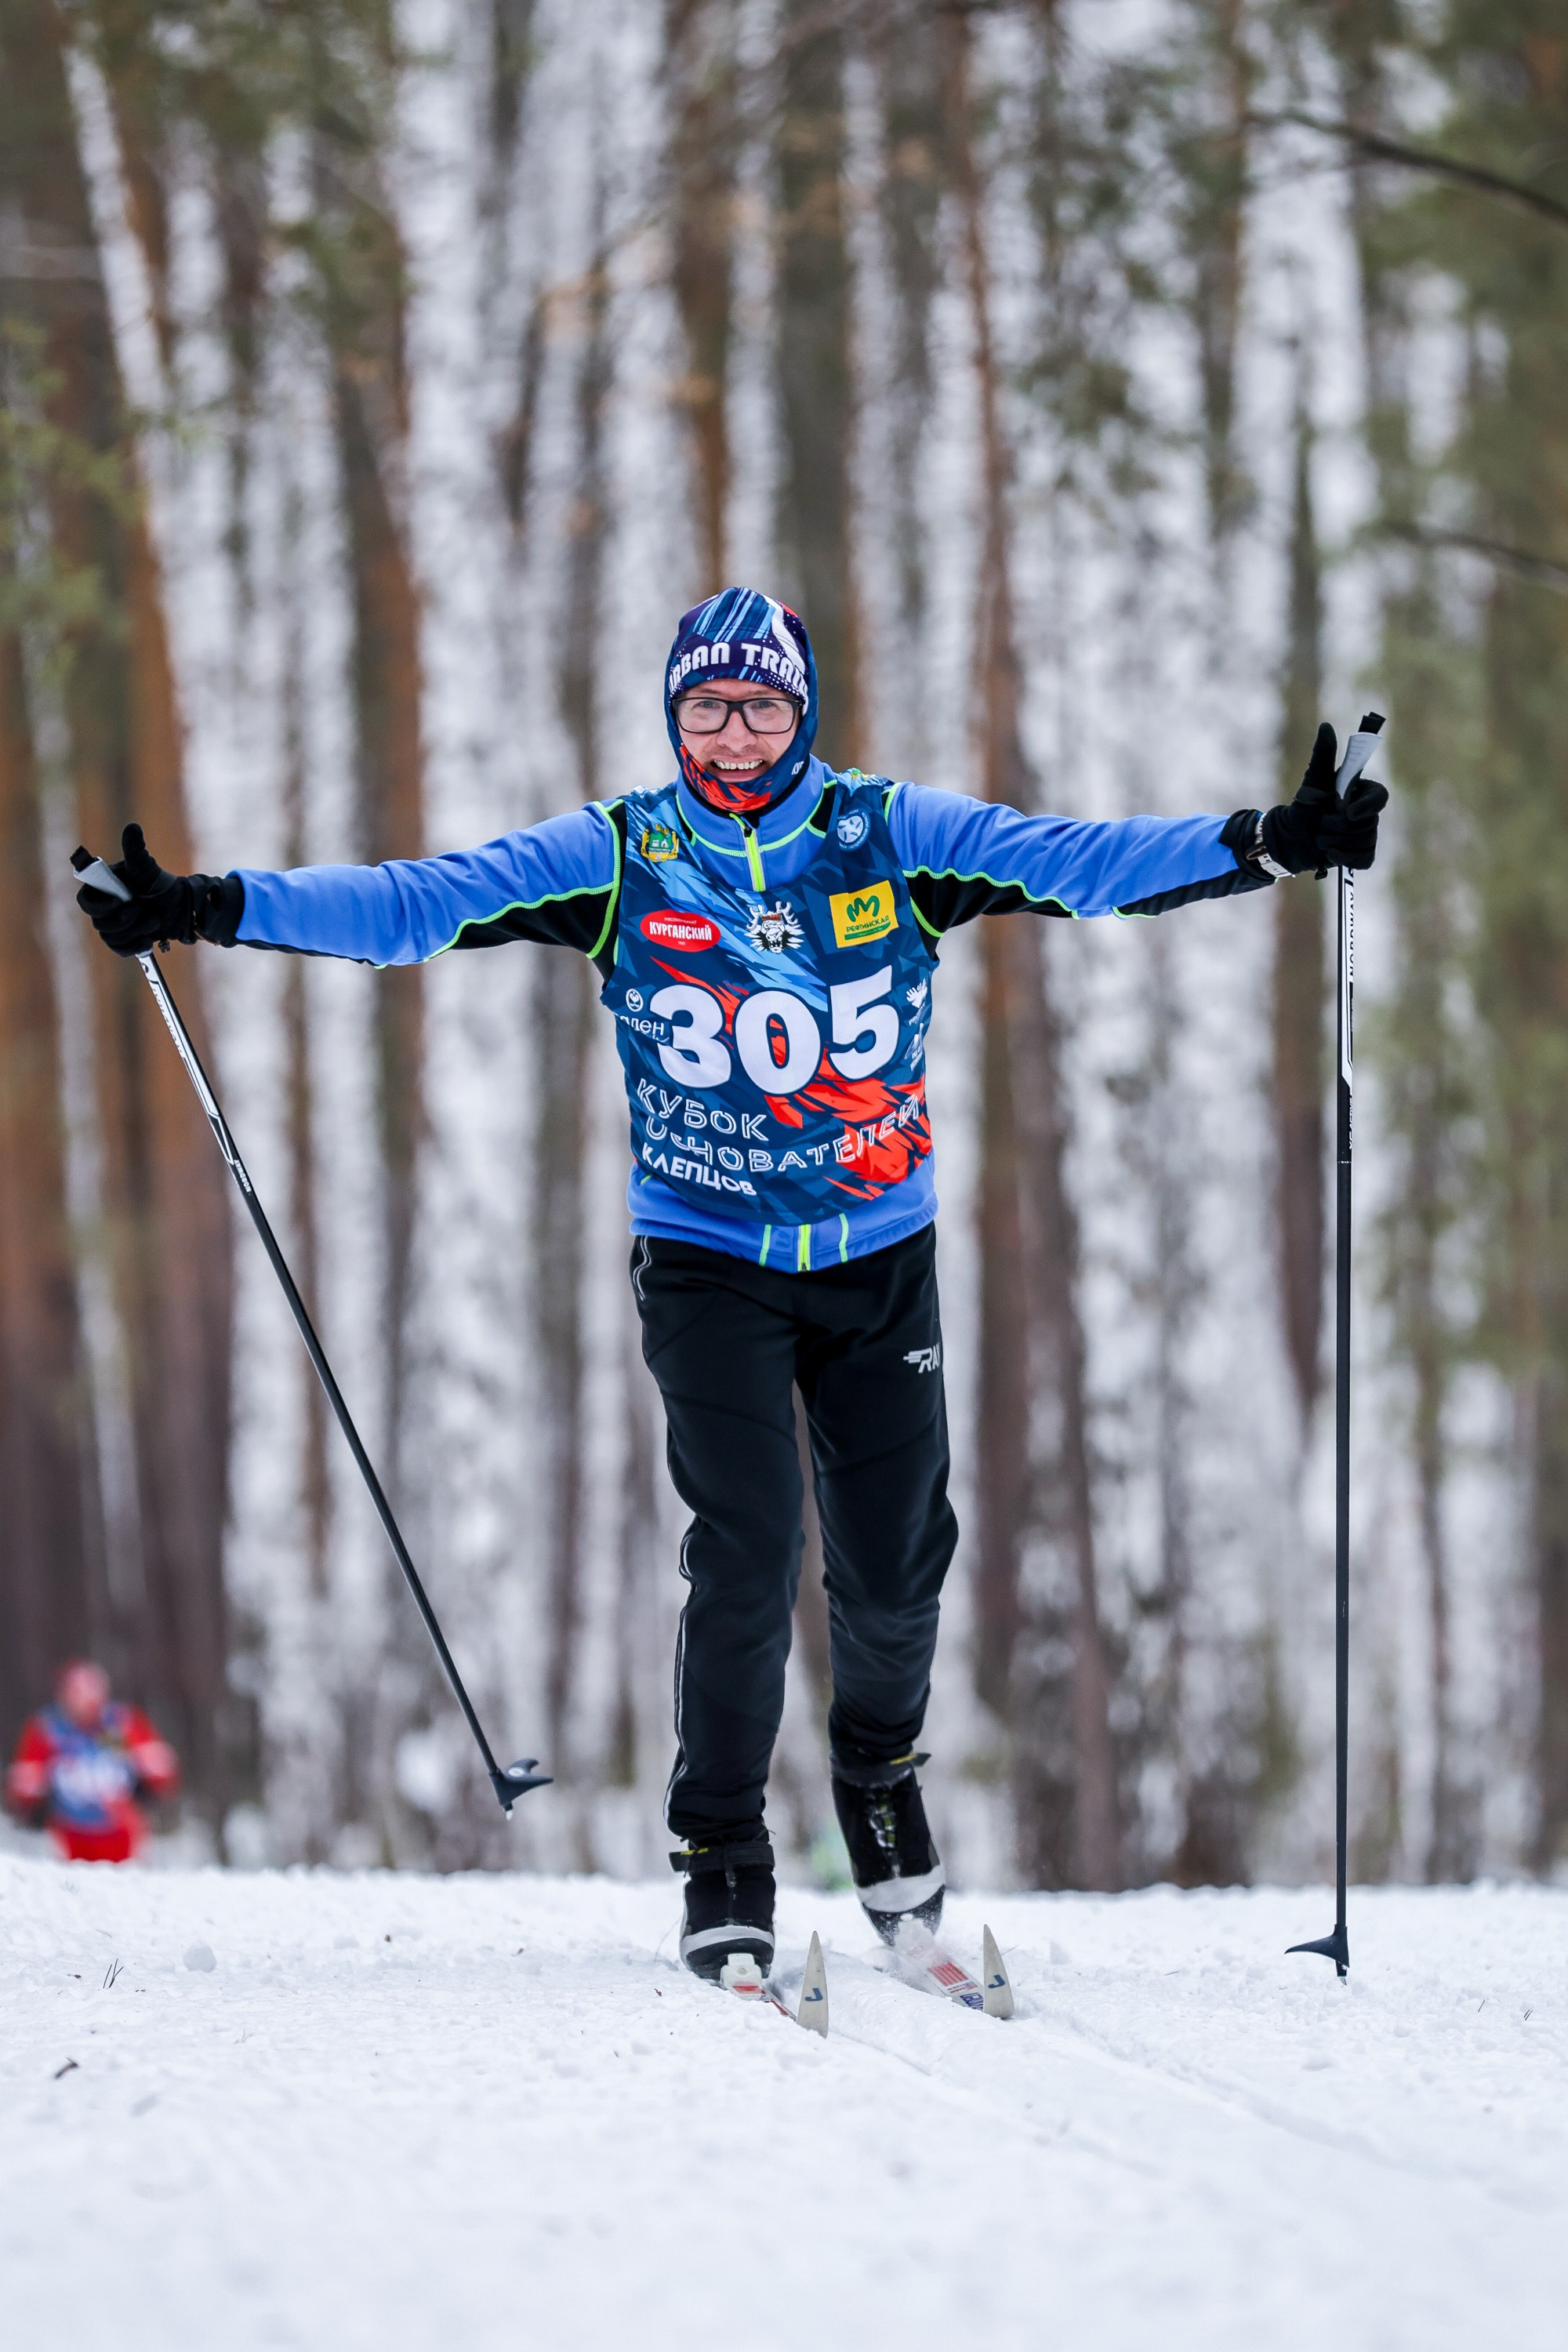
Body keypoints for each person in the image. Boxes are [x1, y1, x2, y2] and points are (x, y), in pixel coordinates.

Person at [78, 586, 1385, 1974]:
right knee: (750, 1547)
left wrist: (1269, 845)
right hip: (709, 1261)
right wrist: (207, 907)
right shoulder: (626, 854)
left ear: (802, 708)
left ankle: (878, 1785)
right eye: (709, 706)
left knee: (894, 1572)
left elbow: (1079, 861)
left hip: (880, 1255)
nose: (738, 733)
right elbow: (419, 903)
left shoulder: (889, 833)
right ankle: (722, 1851)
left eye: (763, 704)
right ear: (674, 714)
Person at [5, 1660, 180, 1863]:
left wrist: (149, 1775)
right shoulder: (49, 1730)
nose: (81, 1705)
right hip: (68, 1833)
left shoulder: (120, 1723)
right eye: (74, 1695)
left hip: (122, 1832)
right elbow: (24, 1782)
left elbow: (161, 1769)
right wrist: (31, 1790)